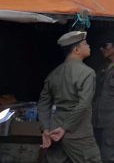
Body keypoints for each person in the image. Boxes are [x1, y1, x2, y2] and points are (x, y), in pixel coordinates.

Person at [38, 31, 102, 163]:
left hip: (54, 133)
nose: (89, 46)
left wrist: (45, 129)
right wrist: (65, 128)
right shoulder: (87, 73)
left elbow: (43, 104)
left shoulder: (53, 73)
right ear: (77, 50)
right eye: (85, 43)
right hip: (78, 133)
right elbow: (84, 104)